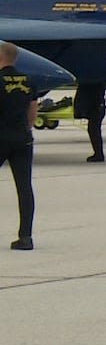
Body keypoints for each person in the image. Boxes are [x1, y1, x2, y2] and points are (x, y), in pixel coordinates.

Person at [0, 43, 37, 250]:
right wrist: (25, 130)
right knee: (24, 188)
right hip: (22, 138)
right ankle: (25, 237)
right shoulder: (29, 80)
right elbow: (33, 111)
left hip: (1, 136)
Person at [74, 82, 106, 162]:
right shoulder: (98, 82)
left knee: (94, 129)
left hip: (97, 107)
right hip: (98, 106)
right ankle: (98, 154)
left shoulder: (94, 82)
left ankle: (99, 154)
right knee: (94, 129)